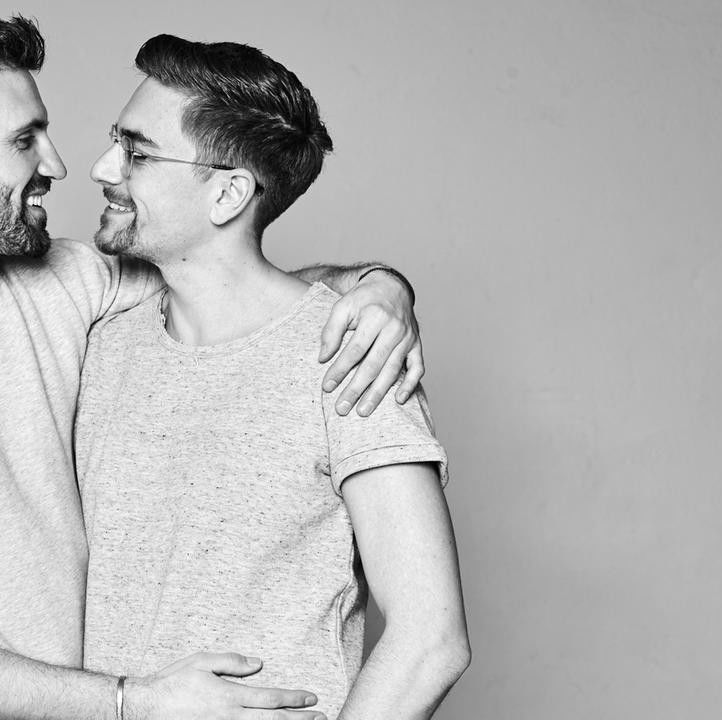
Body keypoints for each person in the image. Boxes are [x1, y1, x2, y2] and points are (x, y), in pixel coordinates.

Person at [0, 13, 426, 720]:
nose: (60, 164)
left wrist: (377, 288)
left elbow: (224, 280)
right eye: (24, 139)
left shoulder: (65, 285)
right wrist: (135, 702)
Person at [77, 35, 470, 720]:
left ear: (229, 193)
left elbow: (430, 640)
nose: (103, 168)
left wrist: (383, 289)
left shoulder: (350, 354)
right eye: (116, 142)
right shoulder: (102, 341)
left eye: (138, 153)